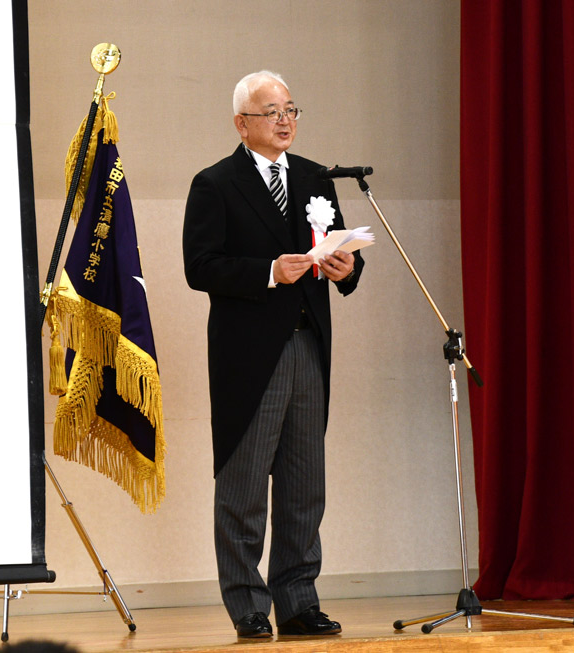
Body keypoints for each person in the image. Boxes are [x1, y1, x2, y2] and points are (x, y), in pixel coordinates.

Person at [182, 70, 364, 638]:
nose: (285, 121)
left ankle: (299, 600)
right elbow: (200, 266)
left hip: (308, 344)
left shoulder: (314, 177)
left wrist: (348, 268)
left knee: (303, 483)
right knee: (242, 485)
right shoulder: (215, 183)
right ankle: (248, 607)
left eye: (291, 110)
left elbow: (336, 252)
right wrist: (266, 272)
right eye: (271, 112)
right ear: (242, 124)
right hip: (250, 356)